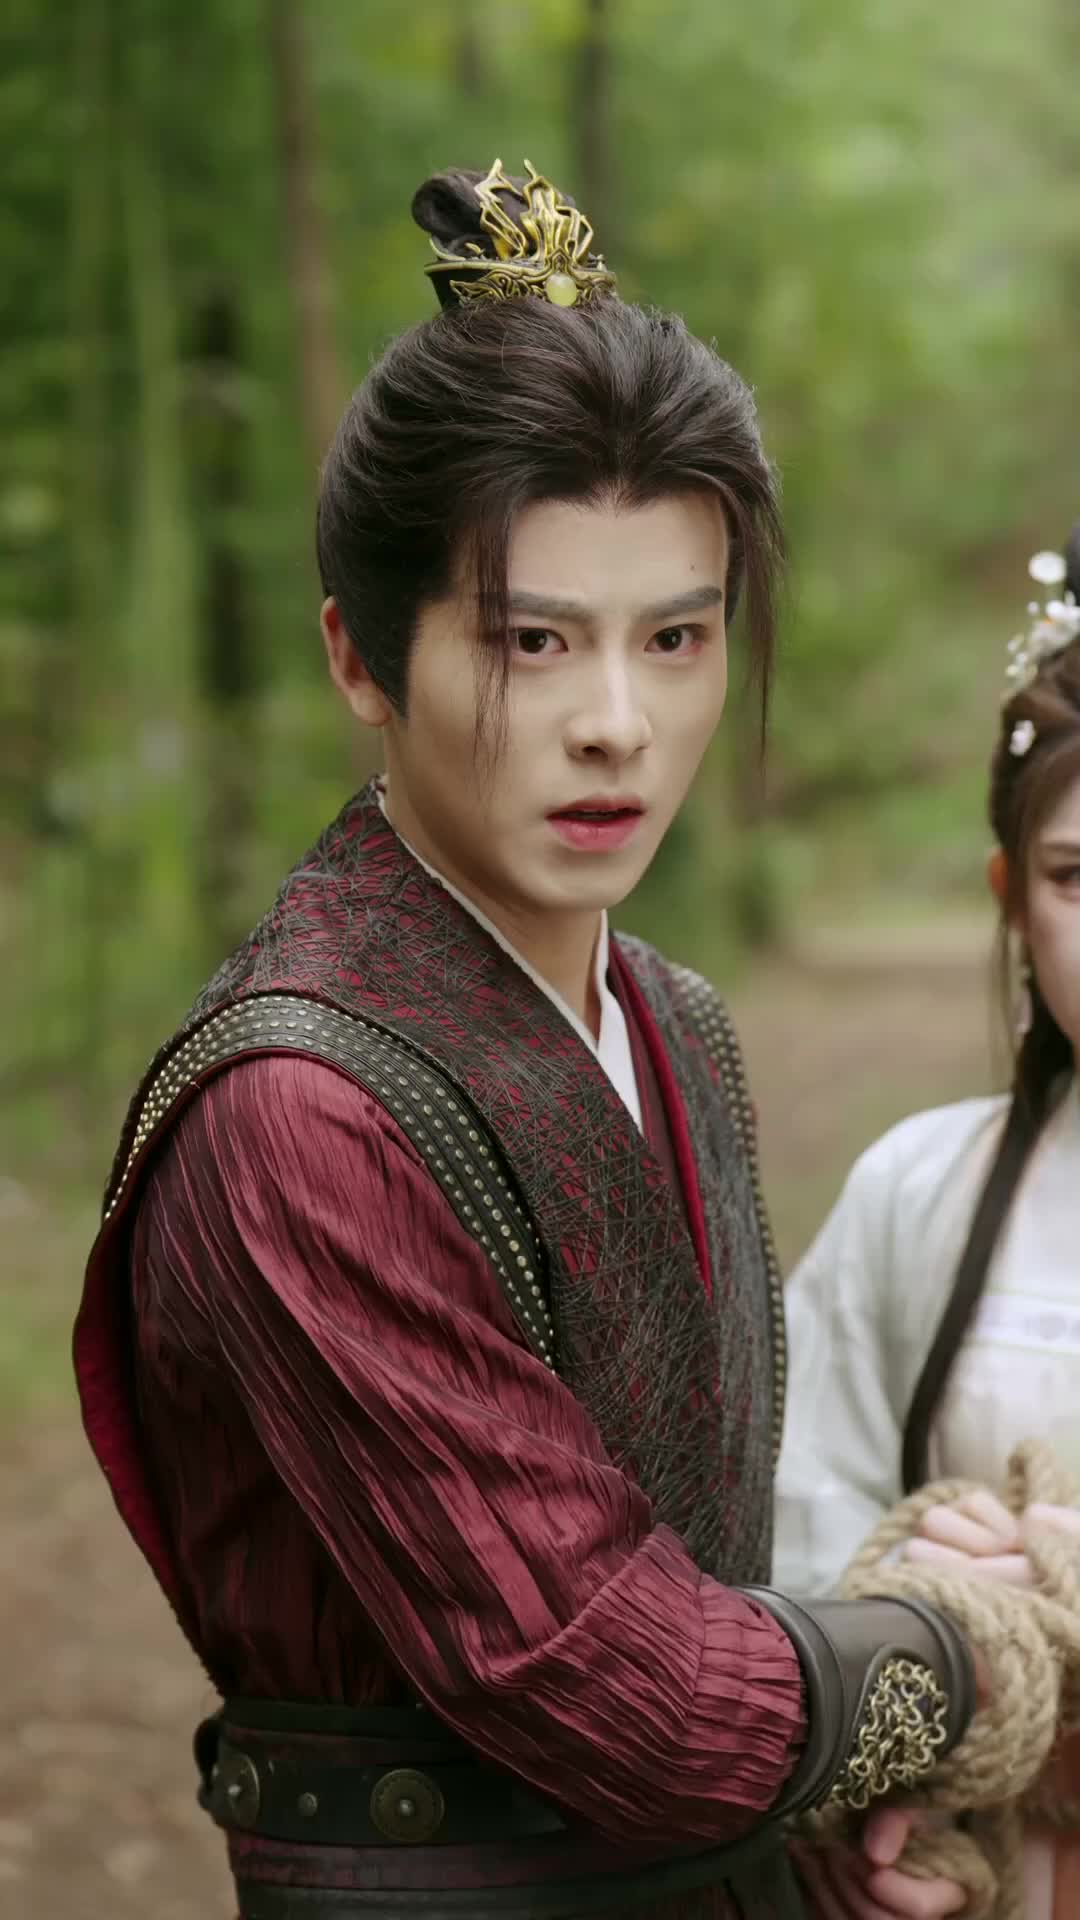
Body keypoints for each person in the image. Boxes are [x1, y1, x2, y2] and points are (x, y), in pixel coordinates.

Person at [75, 159, 977, 1920]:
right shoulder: (297, 1111)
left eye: (678, 638)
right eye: (533, 642)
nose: (616, 724)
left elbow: (709, 1590)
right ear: (359, 657)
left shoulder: (676, 1021)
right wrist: (970, 1654)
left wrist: (821, 1836)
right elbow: (622, 1687)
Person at [775, 532, 1080, 1917]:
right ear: (1010, 897)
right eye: (1076, 876)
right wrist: (883, 1813)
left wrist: (1050, 1585)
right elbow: (796, 1517)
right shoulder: (918, 1192)